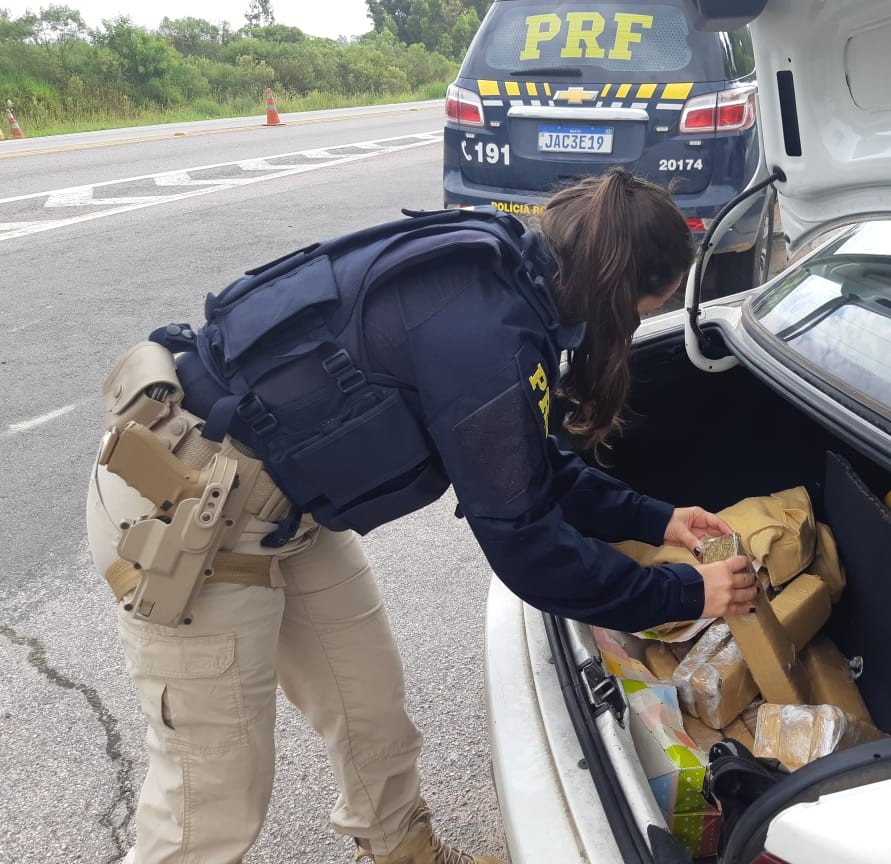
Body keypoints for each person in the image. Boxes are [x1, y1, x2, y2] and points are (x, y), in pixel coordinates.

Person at [86, 168, 759, 864]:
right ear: (623, 288)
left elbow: (525, 460)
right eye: (657, 300)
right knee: (214, 794)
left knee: (369, 707)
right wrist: (684, 594)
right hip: (188, 513)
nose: (648, 317)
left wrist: (658, 520)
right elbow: (524, 542)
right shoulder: (486, 329)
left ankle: (404, 853)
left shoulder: (511, 276)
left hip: (284, 505)